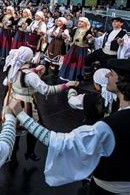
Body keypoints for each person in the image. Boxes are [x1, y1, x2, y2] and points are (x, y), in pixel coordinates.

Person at [8, 59, 130, 194]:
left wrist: (22, 115)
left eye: (111, 74)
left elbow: (59, 142)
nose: (107, 76)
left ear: (122, 81)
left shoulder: (109, 126)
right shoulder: (116, 114)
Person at [2, 46, 78, 164]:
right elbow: (46, 90)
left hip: (11, 100)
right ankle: (30, 151)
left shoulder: (11, 67)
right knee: (33, 127)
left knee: (13, 129)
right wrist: (66, 85)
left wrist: (36, 71)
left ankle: (12, 154)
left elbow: (21, 75)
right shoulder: (29, 76)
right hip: (25, 104)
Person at [59, 17, 93, 81]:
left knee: (79, 63)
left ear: (86, 23)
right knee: (70, 61)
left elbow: (90, 42)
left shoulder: (88, 31)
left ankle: (76, 77)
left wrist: (89, 39)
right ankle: (67, 75)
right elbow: (71, 39)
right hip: (73, 48)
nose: (79, 22)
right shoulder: (75, 29)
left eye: (82, 21)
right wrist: (66, 37)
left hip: (82, 50)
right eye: (79, 21)